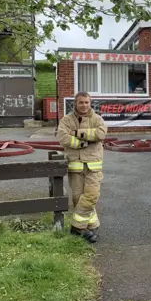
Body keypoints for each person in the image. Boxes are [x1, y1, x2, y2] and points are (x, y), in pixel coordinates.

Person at [57, 91, 107, 243]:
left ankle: (76, 227)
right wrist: (82, 143)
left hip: (93, 167)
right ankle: (91, 227)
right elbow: (63, 137)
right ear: (75, 104)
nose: (84, 105)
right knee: (78, 198)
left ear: (90, 103)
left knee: (92, 196)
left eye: (87, 102)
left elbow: (101, 134)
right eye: (81, 102)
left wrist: (78, 133)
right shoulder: (66, 120)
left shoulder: (97, 119)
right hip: (75, 166)